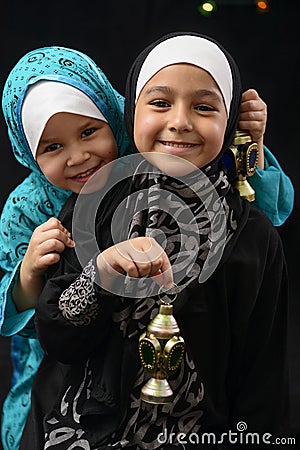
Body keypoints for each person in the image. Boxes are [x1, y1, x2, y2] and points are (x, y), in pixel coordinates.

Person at [29, 31, 290, 449]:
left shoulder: (251, 236)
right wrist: (101, 274)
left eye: (204, 107)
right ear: (132, 111)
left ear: (230, 121)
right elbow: (58, 337)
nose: (181, 121)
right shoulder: (96, 202)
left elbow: (263, 380)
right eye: (160, 103)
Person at [0, 45, 131, 450]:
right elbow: (12, 309)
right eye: (53, 148)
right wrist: (29, 271)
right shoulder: (27, 209)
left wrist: (249, 138)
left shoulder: (144, 161)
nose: (79, 157)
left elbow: (251, 203)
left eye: (89, 131)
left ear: (112, 116)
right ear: (29, 152)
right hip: (59, 367)